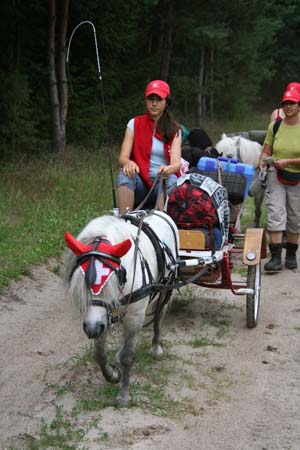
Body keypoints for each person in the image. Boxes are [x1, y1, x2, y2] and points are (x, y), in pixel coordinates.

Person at [116, 80, 182, 214]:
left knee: (171, 180)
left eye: (159, 99)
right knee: (124, 174)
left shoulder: (175, 129)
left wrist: (168, 169)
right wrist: (128, 163)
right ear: (146, 101)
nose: (154, 103)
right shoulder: (134, 123)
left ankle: (165, 224)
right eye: (150, 99)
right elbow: (122, 158)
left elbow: (176, 164)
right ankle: (124, 221)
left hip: (161, 181)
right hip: (140, 182)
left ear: (166, 103)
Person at [260, 87, 300, 271]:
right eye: (286, 103)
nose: (288, 106)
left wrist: (289, 161)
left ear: (299, 105)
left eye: (292, 103)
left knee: (294, 217)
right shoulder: (274, 126)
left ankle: (291, 253)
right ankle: (275, 257)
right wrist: (263, 160)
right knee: (275, 212)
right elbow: (267, 149)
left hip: (297, 177)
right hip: (275, 174)